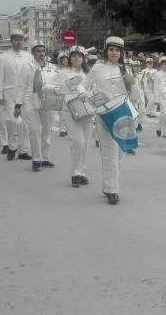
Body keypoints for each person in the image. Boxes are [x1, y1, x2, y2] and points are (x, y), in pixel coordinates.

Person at [82, 37, 137, 205]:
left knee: (121, 153)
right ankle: (113, 190)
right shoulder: (98, 68)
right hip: (105, 114)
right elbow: (83, 85)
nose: (114, 53)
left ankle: (109, 185)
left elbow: (135, 95)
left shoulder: (125, 69)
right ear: (106, 51)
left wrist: (133, 83)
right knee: (109, 154)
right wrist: (85, 95)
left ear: (122, 53)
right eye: (112, 49)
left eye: (118, 50)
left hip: (124, 113)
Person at [15, 42, 58, 172]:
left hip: (47, 101)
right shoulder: (27, 67)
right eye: (38, 51)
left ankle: (44, 158)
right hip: (30, 100)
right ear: (33, 53)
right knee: (35, 130)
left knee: (46, 131)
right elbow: (21, 87)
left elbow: (57, 83)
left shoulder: (52, 67)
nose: (41, 53)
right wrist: (18, 104)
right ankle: (36, 159)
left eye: (43, 51)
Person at [0, 29, 33, 160]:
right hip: (9, 95)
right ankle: (12, 147)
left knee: (25, 124)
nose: (18, 42)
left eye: (21, 39)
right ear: (11, 41)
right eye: (16, 39)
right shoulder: (3, 57)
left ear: (23, 41)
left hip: (26, 95)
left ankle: (23, 150)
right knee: (13, 122)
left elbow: (31, 77)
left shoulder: (29, 56)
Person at [55, 45, 93, 187]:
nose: (76, 58)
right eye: (74, 56)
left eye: (79, 56)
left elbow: (94, 90)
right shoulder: (63, 73)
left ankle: (82, 172)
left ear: (83, 59)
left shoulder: (89, 74)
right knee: (78, 142)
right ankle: (75, 173)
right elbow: (58, 87)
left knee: (86, 144)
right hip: (70, 110)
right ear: (70, 58)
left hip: (87, 111)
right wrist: (59, 90)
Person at [153, 56, 166, 138]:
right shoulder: (158, 74)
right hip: (162, 96)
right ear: (161, 65)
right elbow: (156, 86)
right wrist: (156, 99)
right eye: (164, 64)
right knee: (165, 113)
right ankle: (159, 127)